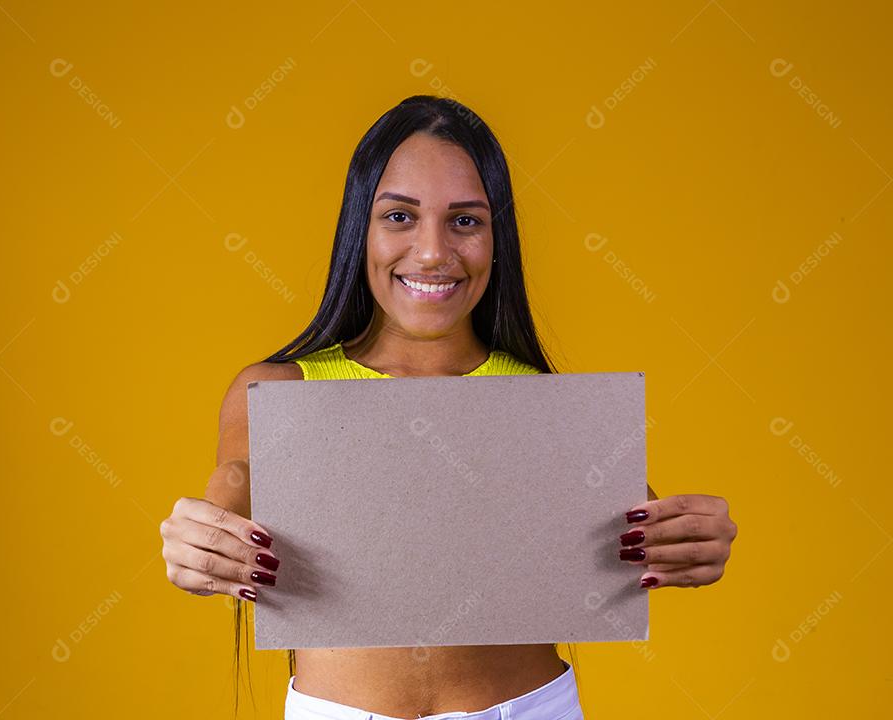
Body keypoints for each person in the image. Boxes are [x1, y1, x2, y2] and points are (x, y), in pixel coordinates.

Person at [159, 95, 738, 719]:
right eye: (400, 217)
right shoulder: (276, 392)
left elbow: (641, 526)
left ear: (498, 239)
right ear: (361, 229)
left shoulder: (542, 402)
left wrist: (691, 541)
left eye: (465, 221)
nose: (433, 252)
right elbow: (229, 491)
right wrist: (196, 543)